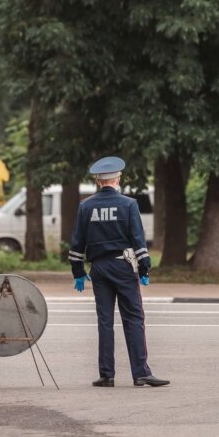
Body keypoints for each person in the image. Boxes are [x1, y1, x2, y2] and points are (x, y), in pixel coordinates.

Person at [69, 156, 169, 388]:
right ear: (118, 178)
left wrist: (78, 273)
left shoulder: (86, 206)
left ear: (97, 180)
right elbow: (138, 240)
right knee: (134, 318)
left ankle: (106, 375)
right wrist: (144, 269)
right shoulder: (129, 205)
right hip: (123, 267)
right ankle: (141, 372)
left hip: (99, 269)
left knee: (104, 320)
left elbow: (77, 244)